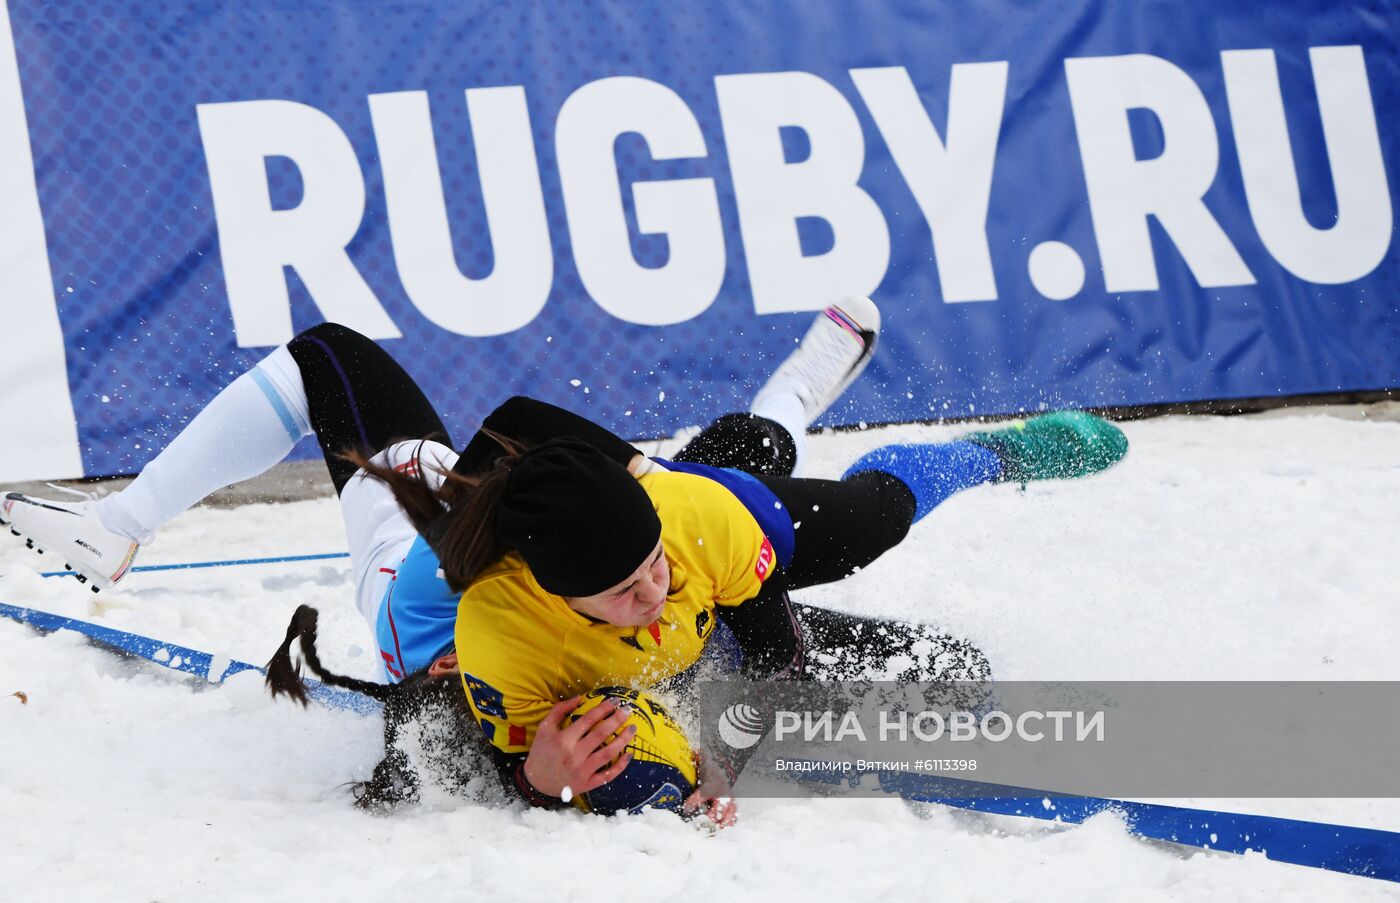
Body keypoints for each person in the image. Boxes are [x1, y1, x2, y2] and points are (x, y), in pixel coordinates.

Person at [345, 317, 1128, 822]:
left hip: (698, 518)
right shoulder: (495, 639)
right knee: (949, 668)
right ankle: (788, 393)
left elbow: (776, 651)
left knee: (869, 523)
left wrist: (727, 753)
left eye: (650, 572)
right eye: (625, 590)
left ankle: (989, 452)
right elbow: (491, 760)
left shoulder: (683, 531)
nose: (653, 592)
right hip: (640, 563)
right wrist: (541, 777)